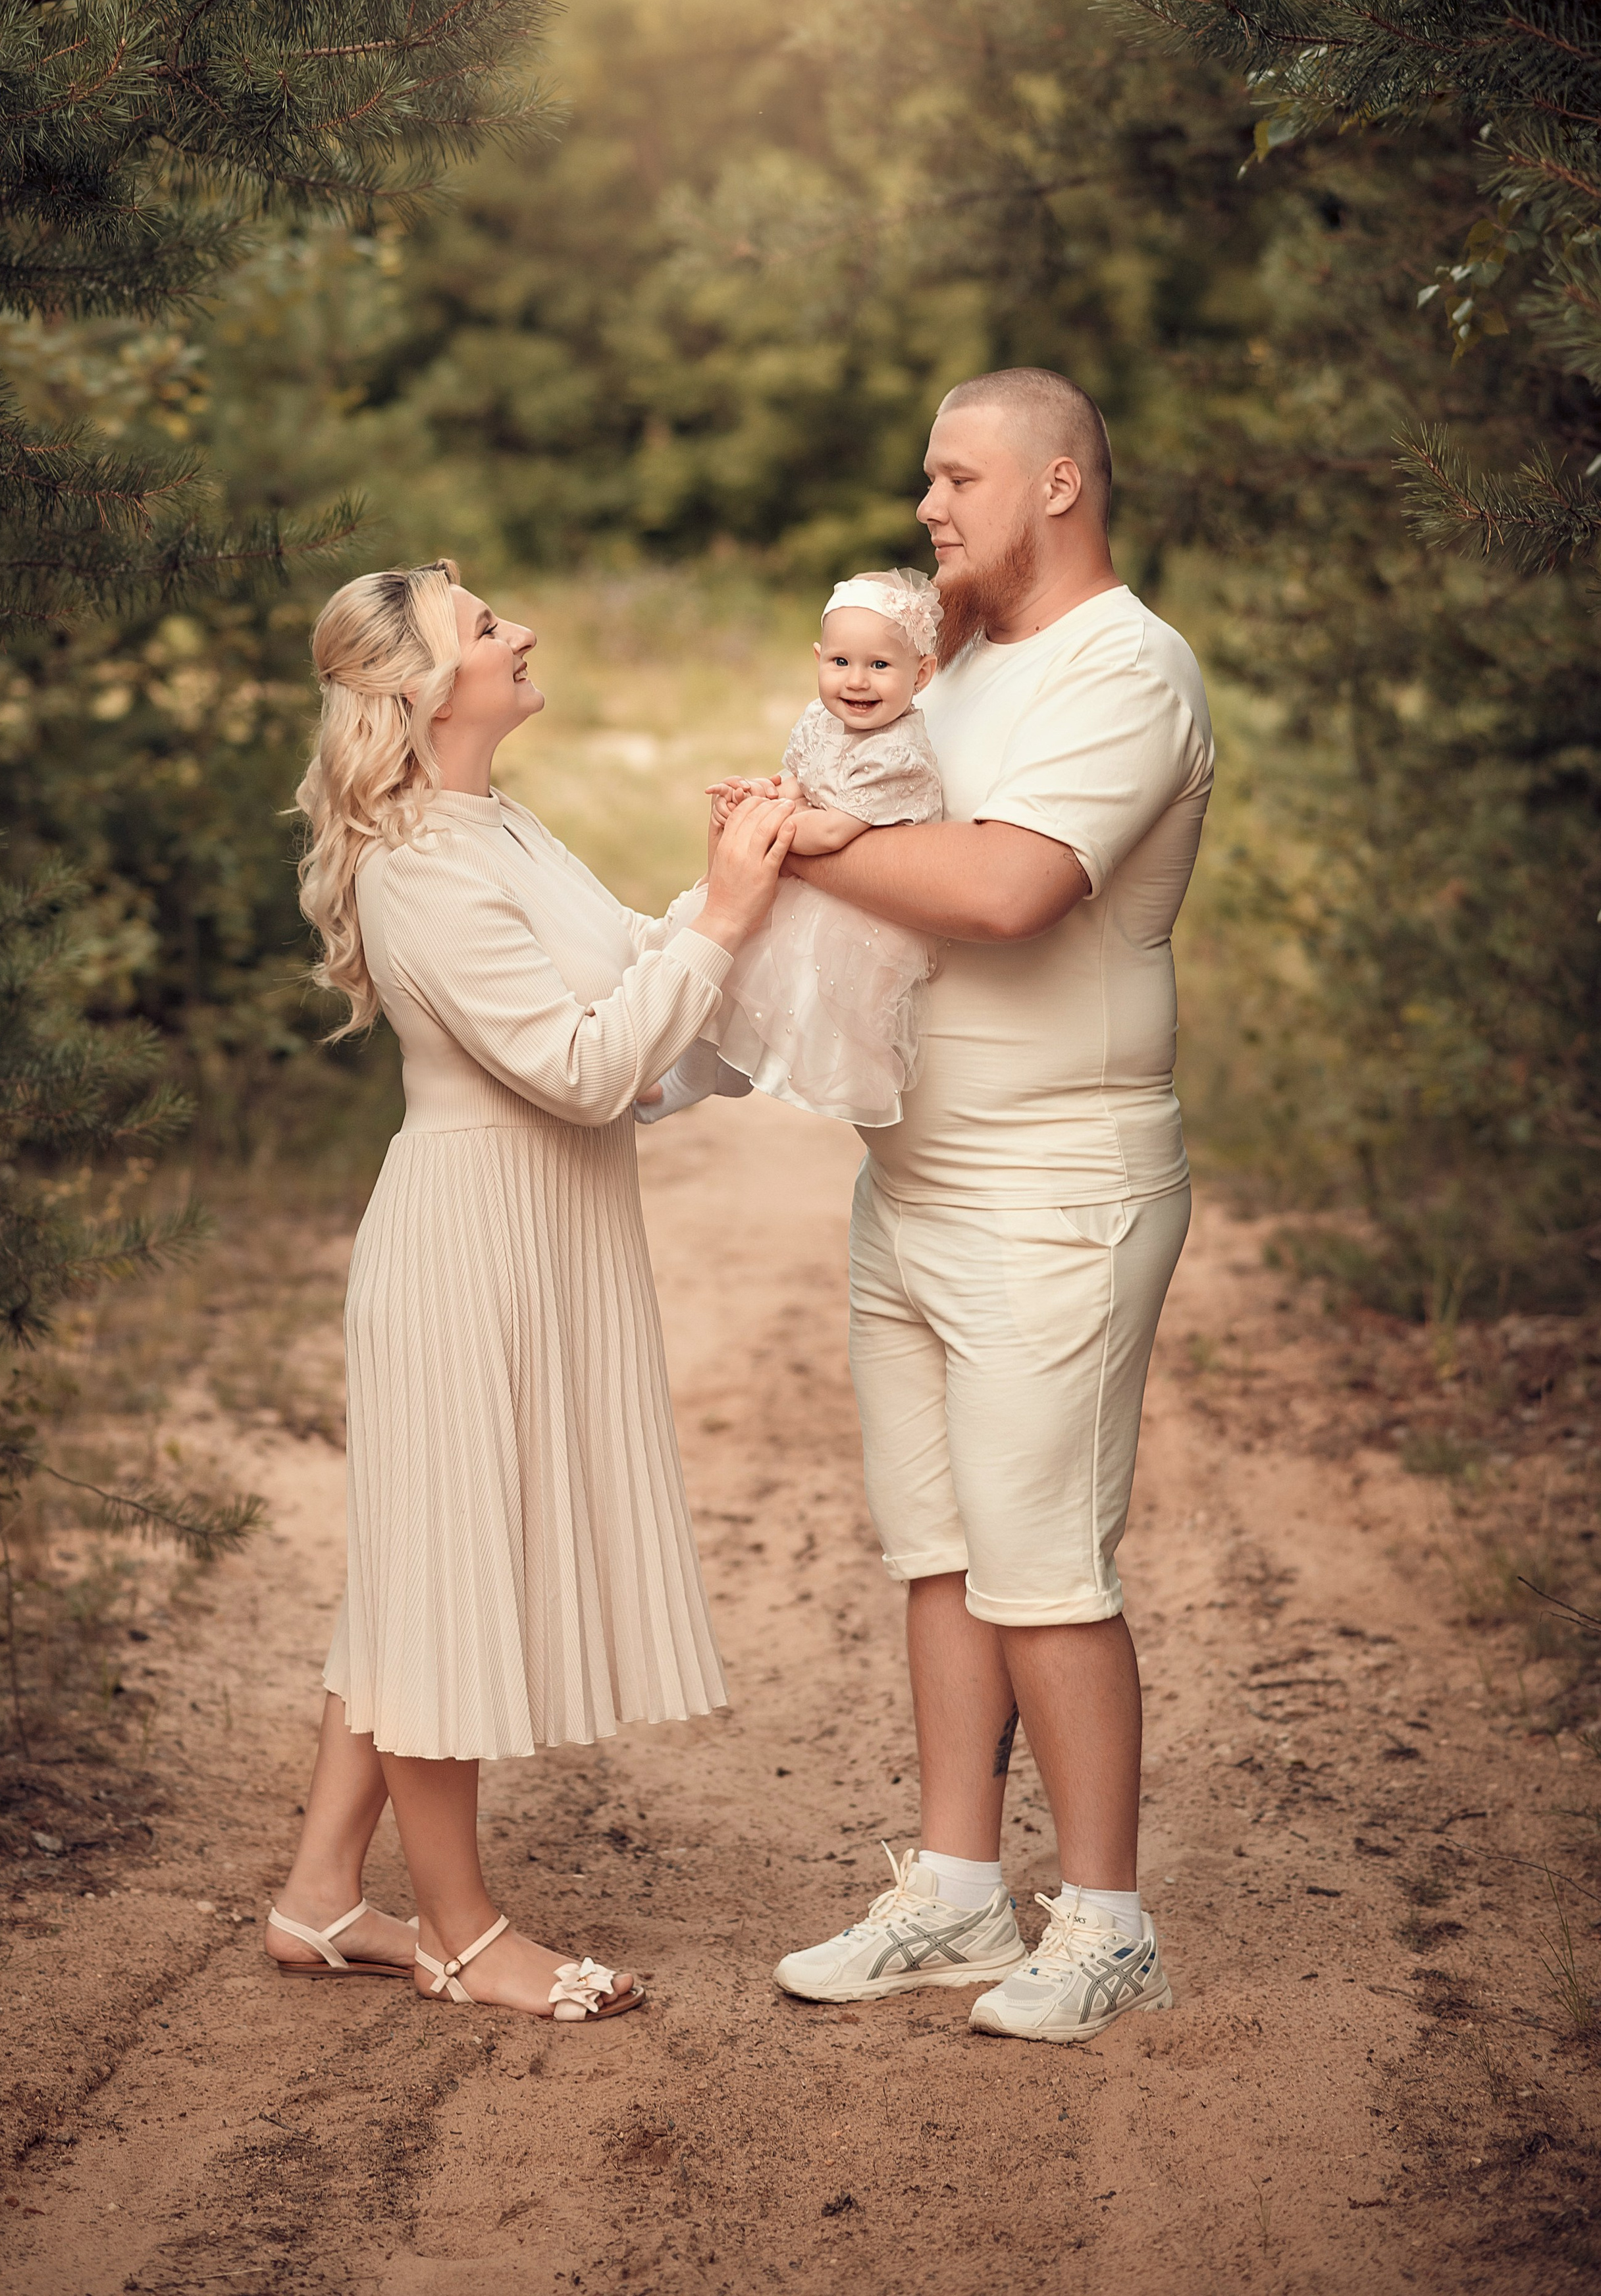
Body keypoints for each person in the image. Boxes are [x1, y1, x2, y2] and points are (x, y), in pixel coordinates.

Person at [263, 557, 795, 2022]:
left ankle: (318, 1901)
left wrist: (737, 884)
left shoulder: (494, 823)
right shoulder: (416, 863)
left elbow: (632, 980)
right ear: (426, 691)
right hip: (467, 1245)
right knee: (441, 1582)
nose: (523, 632)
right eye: (487, 627)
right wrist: (724, 923)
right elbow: (576, 1067)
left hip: (540, 1228)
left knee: (411, 1564)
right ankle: (458, 1931)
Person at [770, 367, 1213, 2044]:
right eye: (921, 480)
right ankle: (955, 1890)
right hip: (914, 1179)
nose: (925, 506)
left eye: (955, 477)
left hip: (1058, 1189)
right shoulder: (953, 661)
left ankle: (1106, 1919)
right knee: (939, 1554)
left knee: (1044, 1568)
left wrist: (796, 842)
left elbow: (1011, 886)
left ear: (1052, 483)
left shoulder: (1126, 666)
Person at [641, 566, 944, 1129]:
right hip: (813, 881)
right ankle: (705, 1070)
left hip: (861, 910)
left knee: (783, 984)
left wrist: (757, 824)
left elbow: (832, 831)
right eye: (840, 663)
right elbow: (799, 784)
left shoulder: (898, 754)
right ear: (818, 659)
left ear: (921, 674)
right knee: (725, 955)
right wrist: (762, 793)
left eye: (880, 666)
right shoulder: (820, 720)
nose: (857, 681)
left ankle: (723, 1069)